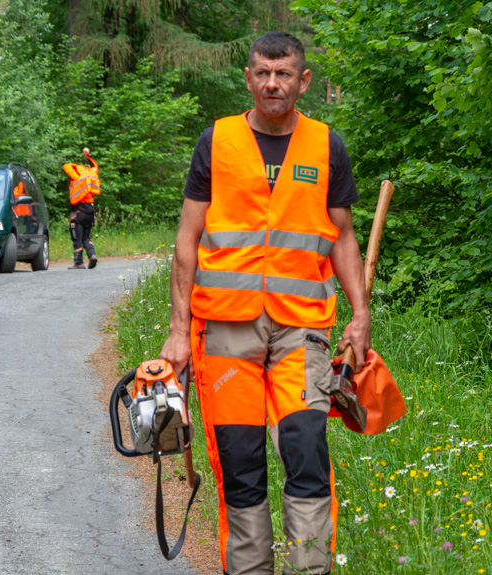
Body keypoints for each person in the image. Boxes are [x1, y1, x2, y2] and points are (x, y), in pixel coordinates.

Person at [158, 31, 370, 575]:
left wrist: (361, 313)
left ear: (304, 81)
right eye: (262, 73)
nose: (271, 83)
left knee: (306, 455)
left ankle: (309, 569)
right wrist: (180, 331)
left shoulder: (326, 146)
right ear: (247, 77)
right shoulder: (217, 141)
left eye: (283, 74)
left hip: (303, 332)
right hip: (226, 333)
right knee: (241, 465)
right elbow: (187, 239)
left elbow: (344, 237)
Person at [62, 147, 99, 269]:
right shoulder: (91, 174)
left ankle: (78, 263)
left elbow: (66, 166)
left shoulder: (76, 177)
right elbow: (95, 165)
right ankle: (92, 255)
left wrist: (76, 166)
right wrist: (89, 155)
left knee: (77, 237)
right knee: (86, 237)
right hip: (90, 211)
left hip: (78, 212)